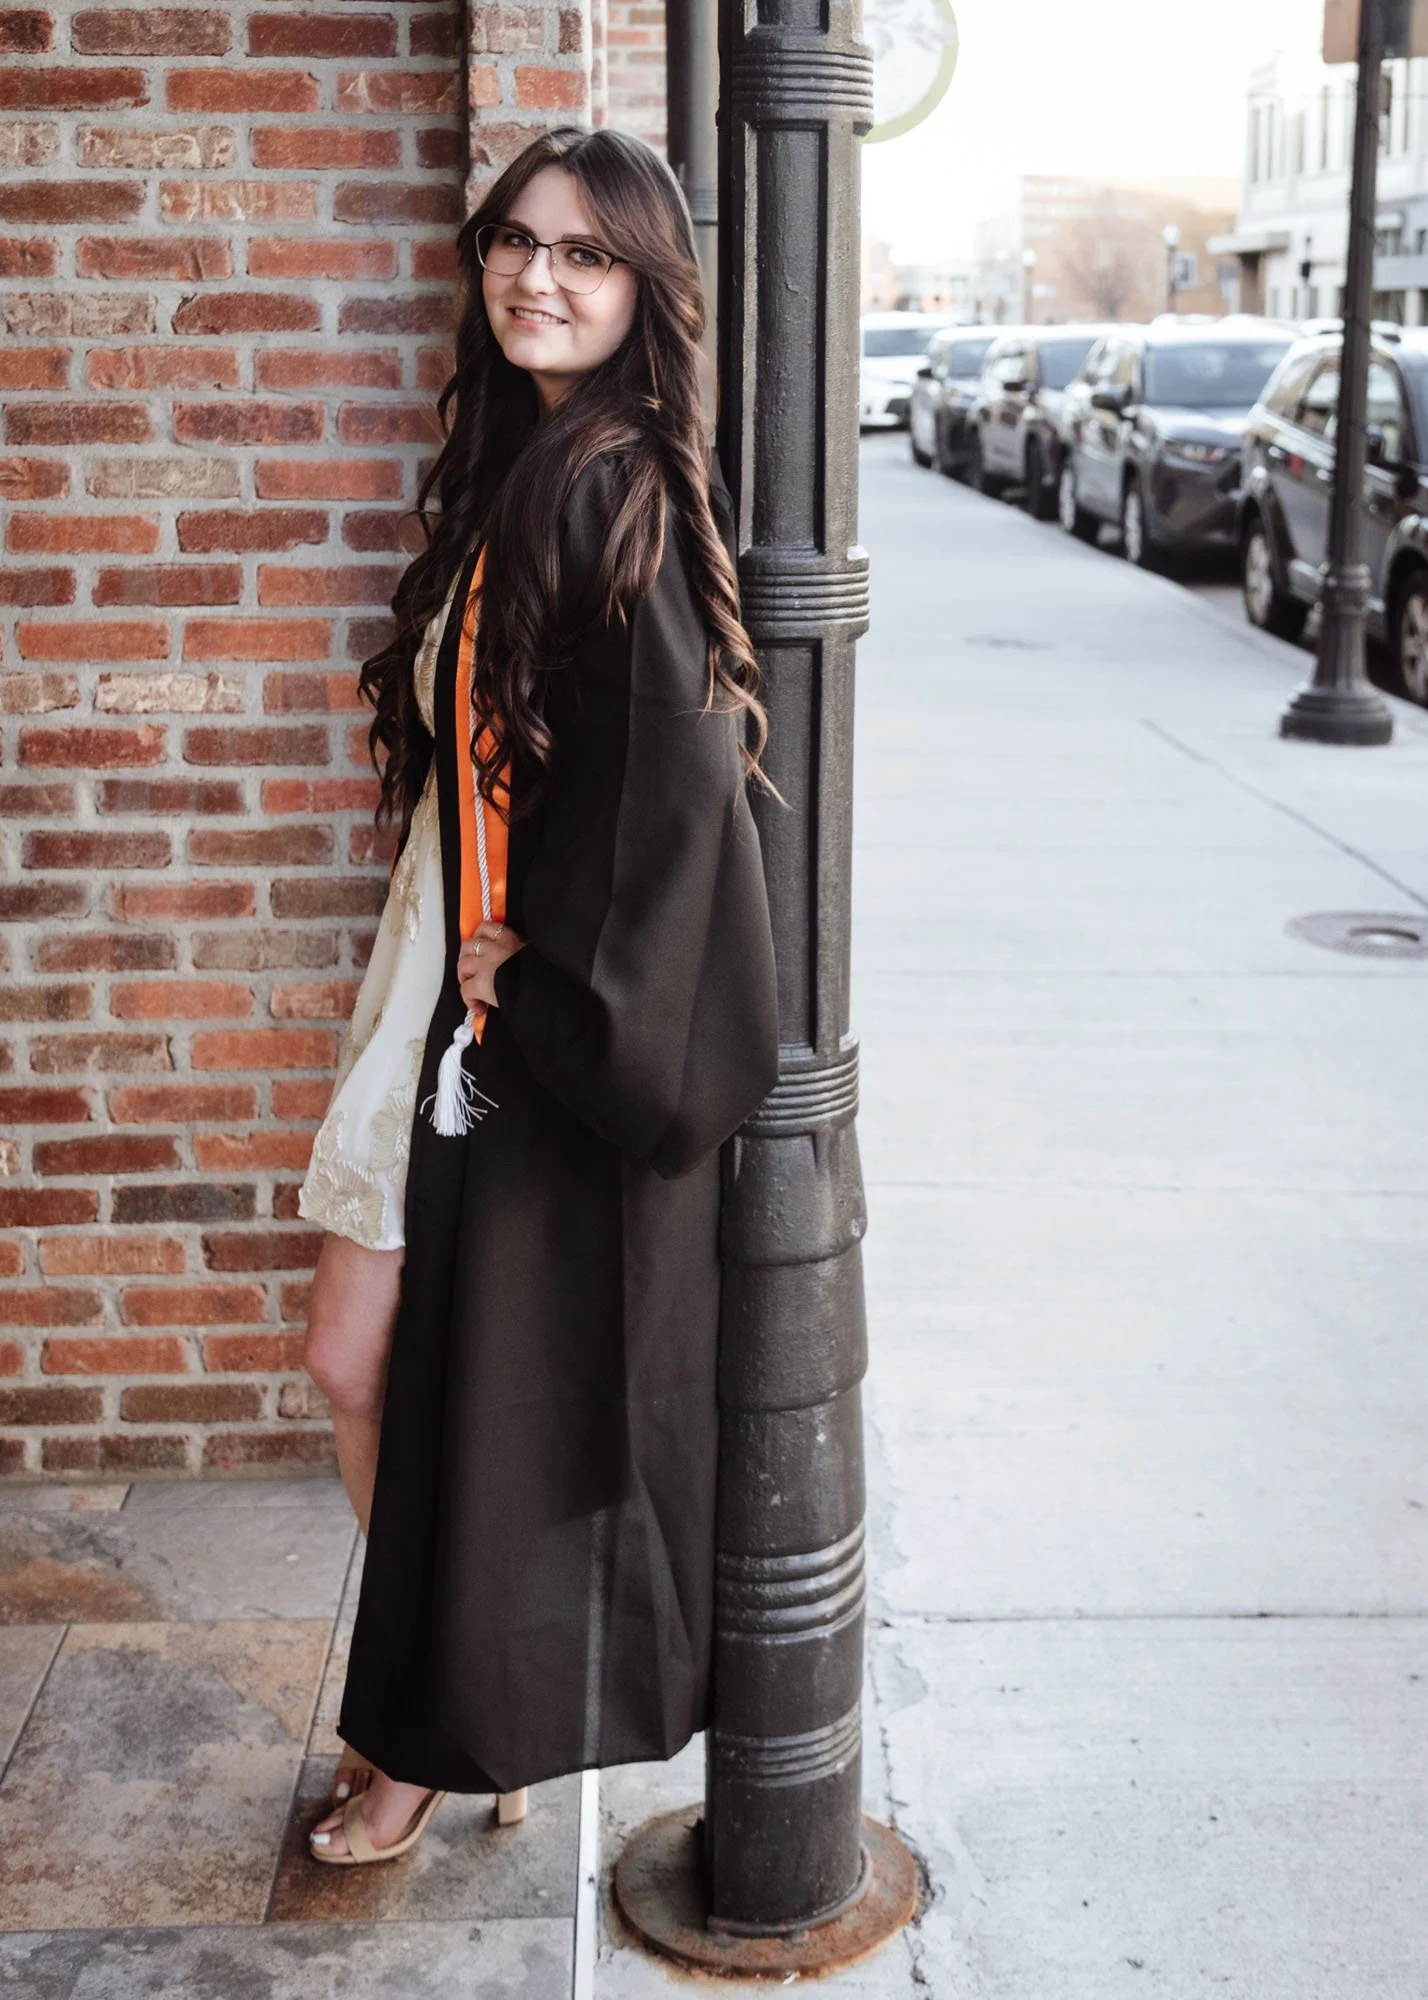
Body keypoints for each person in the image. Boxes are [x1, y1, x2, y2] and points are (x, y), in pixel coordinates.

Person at [297, 124, 781, 1863]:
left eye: (582, 253)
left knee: (376, 1363)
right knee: (366, 1367)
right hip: (438, 970)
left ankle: (430, 1735)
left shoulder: (613, 482)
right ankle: (456, 1712)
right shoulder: (527, 465)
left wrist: (552, 981)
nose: (536, 276)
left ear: (646, 287)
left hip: (509, 1020)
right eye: (514, 242)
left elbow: (668, 786)